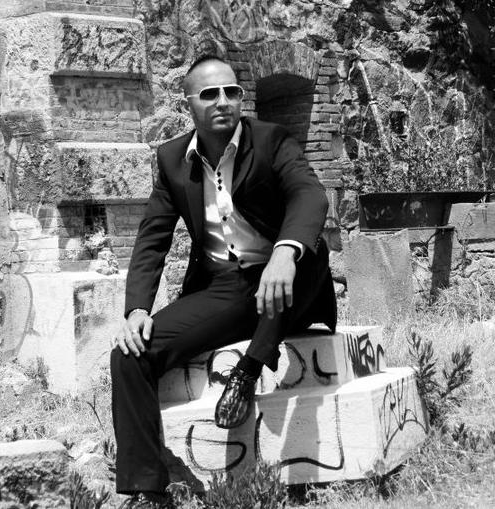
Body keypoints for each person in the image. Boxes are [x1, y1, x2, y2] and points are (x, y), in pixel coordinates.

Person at [110, 55, 337, 508]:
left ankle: (248, 370)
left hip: (289, 280)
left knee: (310, 251)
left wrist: (284, 251)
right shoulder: (172, 159)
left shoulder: (271, 140)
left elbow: (309, 194)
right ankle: (146, 489)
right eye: (210, 94)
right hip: (226, 289)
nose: (223, 101)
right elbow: (152, 238)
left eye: (232, 92)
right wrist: (136, 310)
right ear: (189, 104)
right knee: (130, 354)